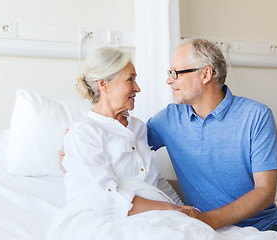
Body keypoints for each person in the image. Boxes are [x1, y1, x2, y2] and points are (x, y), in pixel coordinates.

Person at [146, 38, 277, 239]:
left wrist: (207, 219)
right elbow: (126, 145)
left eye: (176, 73)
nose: (169, 80)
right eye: (170, 73)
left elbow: (265, 192)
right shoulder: (169, 119)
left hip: (260, 229)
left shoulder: (256, 116)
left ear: (206, 74)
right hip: (203, 230)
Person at [53, 46, 183, 223]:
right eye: (130, 80)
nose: (137, 88)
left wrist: (184, 210)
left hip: (154, 214)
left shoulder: (138, 127)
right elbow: (106, 201)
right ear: (104, 84)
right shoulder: (84, 133)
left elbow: (154, 182)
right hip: (110, 219)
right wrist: (171, 209)